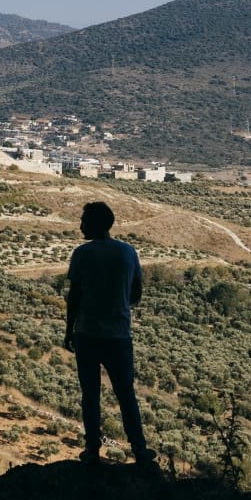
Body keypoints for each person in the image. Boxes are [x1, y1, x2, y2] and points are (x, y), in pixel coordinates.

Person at [64, 201, 155, 470]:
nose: (80, 225)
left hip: (87, 334)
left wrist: (68, 331)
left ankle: (92, 449)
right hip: (119, 335)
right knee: (126, 394)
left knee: (90, 394)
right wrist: (118, 304)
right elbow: (136, 293)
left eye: (83, 221)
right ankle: (140, 449)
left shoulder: (81, 254)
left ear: (94, 224)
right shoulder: (128, 252)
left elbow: (74, 298)